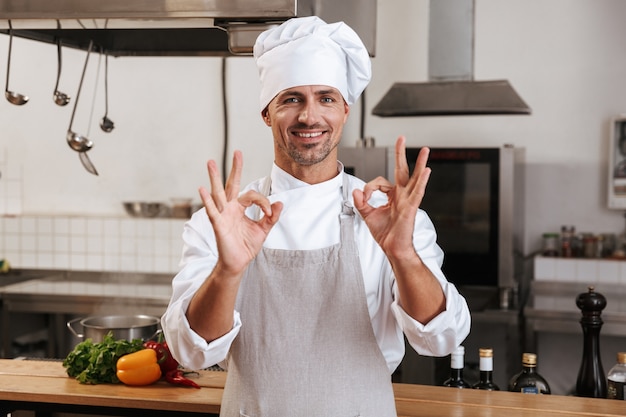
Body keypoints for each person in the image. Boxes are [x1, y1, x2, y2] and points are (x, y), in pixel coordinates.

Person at [161, 16, 471, 417]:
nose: (310, 116)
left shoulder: (390, 218)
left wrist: (403, 254)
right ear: (266, 114)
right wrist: (228, 270)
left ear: (344, 110)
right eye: (291, 99)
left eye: (326, 98)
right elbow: (192, 352)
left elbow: (442, 340)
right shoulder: (222, 222)